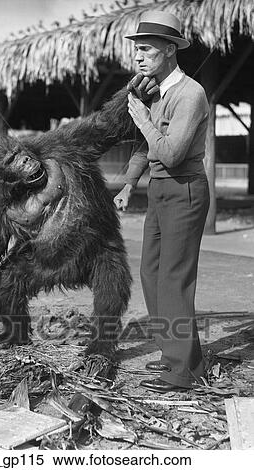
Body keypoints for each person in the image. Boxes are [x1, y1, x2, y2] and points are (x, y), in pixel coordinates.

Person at [114, 10, 210, 393]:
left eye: (146, 50)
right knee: (151, 274)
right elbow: (146, 148)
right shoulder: (156, 91)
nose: (138, 57)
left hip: (185, 188)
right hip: (159, 190)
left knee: (174, 278)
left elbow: (169, 153)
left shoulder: (191, 93)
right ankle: (180, 355)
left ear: (170, 50)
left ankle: (182, 372)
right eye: (136, 50)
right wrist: (128, 185)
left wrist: (141, 116)